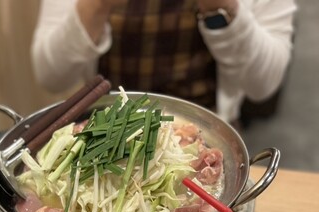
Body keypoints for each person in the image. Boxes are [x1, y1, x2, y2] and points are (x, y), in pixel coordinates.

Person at [31, 0, 297, 124]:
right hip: (104, 129)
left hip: (205, 132)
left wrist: (221, 8)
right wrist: (97, 5)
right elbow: (51, 75)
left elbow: (263, 85)